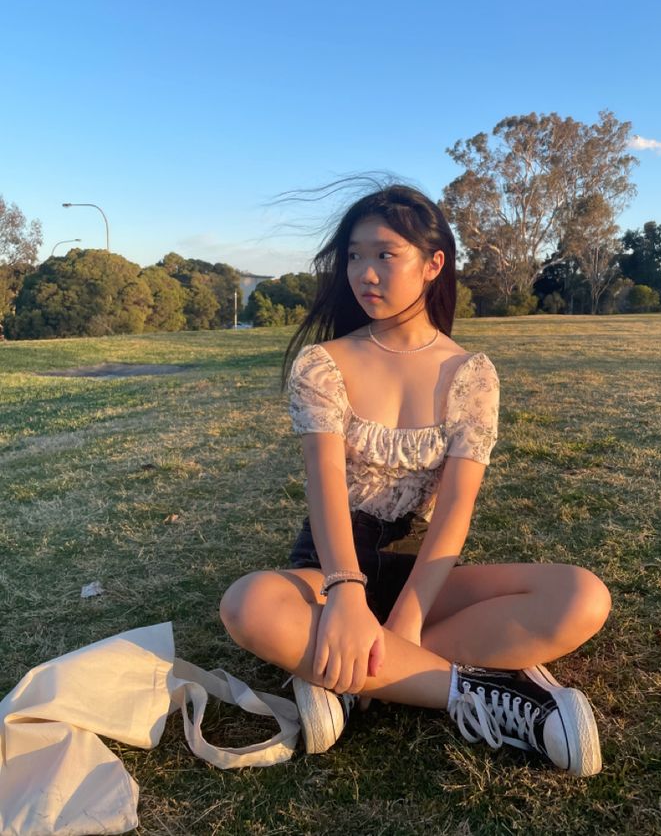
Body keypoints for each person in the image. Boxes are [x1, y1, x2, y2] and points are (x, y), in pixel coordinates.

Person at [220, 182, 611, 777]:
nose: (364, 272)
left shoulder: (470, 373)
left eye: (384, 254)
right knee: (248, 605)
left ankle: (346, 679)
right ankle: (489, 697)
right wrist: (347, 592)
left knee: (582, 597)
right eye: (354, 255)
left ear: (433, 264)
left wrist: (408, 616)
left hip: (421, 570)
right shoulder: (323, 363)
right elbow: (324, 486)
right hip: (331, 566)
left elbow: (455, 509)